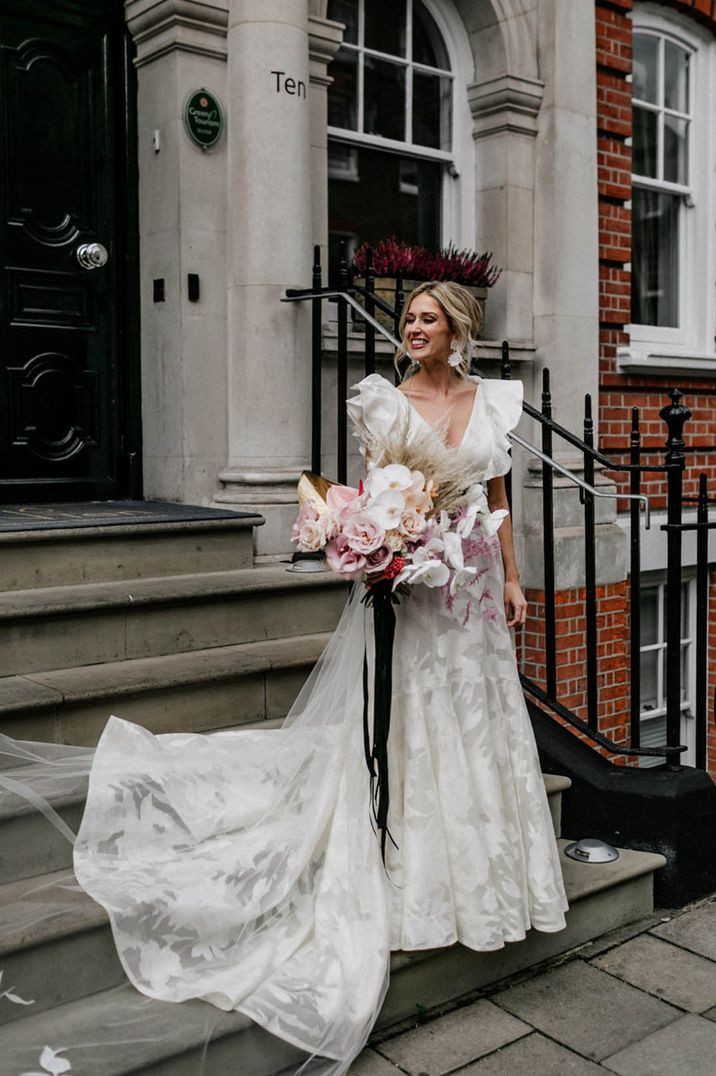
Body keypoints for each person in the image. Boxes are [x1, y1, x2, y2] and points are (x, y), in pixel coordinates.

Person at [0, 281, 567, 1075]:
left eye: (426, 319)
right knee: (416, 720)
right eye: (407, 318)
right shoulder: (384, 403)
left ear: (458, 330)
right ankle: (417, 879)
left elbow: (500, 500)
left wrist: (513, 579)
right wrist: (382, 550)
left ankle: (494, 884)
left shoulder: (493, 403)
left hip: (471, 592)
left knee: (480, 719)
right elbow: (379, 498)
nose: (411, 328)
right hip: (415, 595)